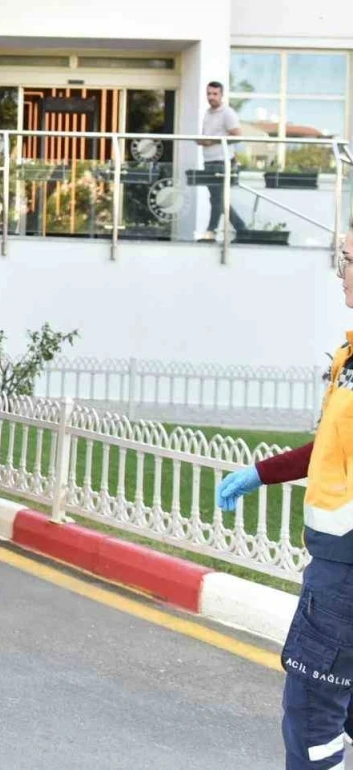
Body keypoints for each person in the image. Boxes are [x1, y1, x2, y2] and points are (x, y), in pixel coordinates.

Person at [217, 225, 353, 769]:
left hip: (344, 570)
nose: (340, 273)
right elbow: (331, 447)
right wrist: (260, 472)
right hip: (337, 561)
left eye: (347, 259)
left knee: (312, 718)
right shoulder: (349, 356)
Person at [198, 80, 248, 241]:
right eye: (209, 94)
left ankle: (210, 232)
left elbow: (237, 136)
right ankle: (242, 229)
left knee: (217, 199)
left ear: (221, 95)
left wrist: (212, 141)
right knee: (218, 199)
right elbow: (208, 135)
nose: (211, 97)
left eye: (215, 94)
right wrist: (201, 140)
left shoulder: (227, 113)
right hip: (208, 160)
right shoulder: (207, 113)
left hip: (221, 161)